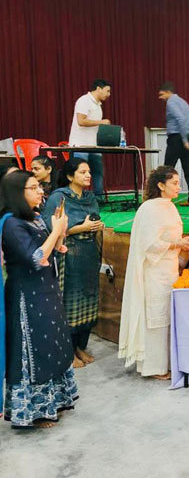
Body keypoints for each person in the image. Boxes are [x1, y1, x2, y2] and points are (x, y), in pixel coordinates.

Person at [0, 171, 77, 428]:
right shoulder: (11, 224)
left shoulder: (33, 218)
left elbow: (53, 250)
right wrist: (56, 230)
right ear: (17, 193)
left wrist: (60, 233)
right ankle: (34, 412)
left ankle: (55, 401)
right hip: (27, 295)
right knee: (34, 349)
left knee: (53, 343)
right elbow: (35, 258)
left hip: (46, 289)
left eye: (39, 186)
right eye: (33, 188)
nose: (40, 191)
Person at [119, 166, 189, 379]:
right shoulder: (150, 209)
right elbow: (149, 244)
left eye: (179, 183)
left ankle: (167, 363)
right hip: (154, 271)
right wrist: (177, 243)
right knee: (155, 319)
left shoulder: (170, 206)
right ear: (161, 185)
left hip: (169, 268)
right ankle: (152, 367)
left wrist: (182, 244)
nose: (178, 187)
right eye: (174, 183)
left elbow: (169, 237)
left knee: (166, 317)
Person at [43, 158, 104, 369]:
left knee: (89, 301)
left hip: (89, 255)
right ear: (70, 176)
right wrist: (82, 228)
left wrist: (95, 226)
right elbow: (50, 228)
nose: (88, 176)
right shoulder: (59, 198)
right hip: (68, 256)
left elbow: (93, 220)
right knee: (69, 303)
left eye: (89, 172)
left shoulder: (89, 198)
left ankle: (80, 347)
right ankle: (68, 352)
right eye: (83, 172)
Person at [68, 78, 112, 200]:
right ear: (98, 89)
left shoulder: (98, 105)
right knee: (79, 174)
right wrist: (101, 122)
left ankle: (98, 199)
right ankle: (77, 198)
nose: (108, 94)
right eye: (107, 91)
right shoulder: (84, 101)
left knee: (98, 172)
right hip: (80, 145)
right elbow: (81, 121)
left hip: (94, 145)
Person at [158, 82, 189, 204]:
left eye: (162, 94)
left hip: (176, 138)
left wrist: (184, 139)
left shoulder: (171, 102)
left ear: (168, 92)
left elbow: (181, 119)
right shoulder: (183, 102)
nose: (160, 98)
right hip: (187, 136)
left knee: (167, 168)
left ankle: (162, 196)